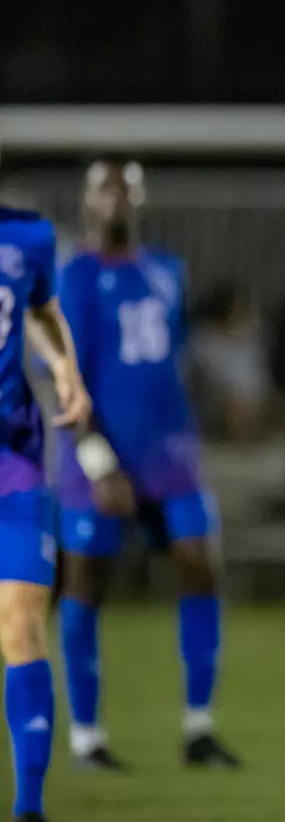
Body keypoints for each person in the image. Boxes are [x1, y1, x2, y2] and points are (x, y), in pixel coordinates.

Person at [53, 160, 240, 771]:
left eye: (124, 193)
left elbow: (170, 360)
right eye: (104, 193)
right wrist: (97, 458)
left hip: (170, 455)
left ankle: (199, 728)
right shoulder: (73, 278)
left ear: (139, 201)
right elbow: (67, 377)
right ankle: (86, 738)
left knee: (199, 566)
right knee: (86, 583)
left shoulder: (166, 271)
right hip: (99, 456)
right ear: (87, 203)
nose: (115, 204)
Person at [0, 203, 91, 822]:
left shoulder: (27, 234)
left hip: (14, 457)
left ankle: (29, 807)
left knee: (20, 622)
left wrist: (66, 368)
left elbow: (40, 307)